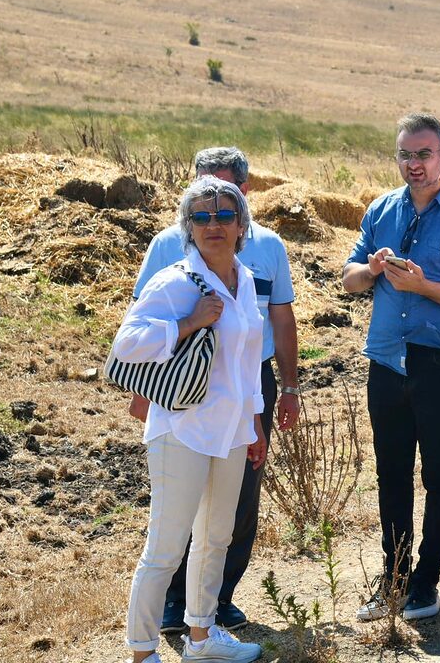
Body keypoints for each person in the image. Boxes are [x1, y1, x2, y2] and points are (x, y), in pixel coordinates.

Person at [132, 147, 300, 635]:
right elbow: (135, 333)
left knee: (235, 507)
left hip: (246, 390)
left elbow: (278, 320)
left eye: (225, 206)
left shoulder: (261, 258)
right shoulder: (167, 249)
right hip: (182, 387)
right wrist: (145, 389)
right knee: (178, 513)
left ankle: (215, 605)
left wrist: (283, 391)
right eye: (201, 204)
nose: (213, 216)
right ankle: (167, 613)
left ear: (244, 204)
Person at [341, 113, 440, 623]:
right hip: (386, 359)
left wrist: (423, 287)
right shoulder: (381, 210)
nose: (414, 164)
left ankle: (426, 583)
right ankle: (395, 577)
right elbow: (349, 279)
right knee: (391, 474)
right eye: (405, 154)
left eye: (424, 154)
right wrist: (374, 269)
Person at [118, 177, 267, 663]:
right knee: (166, 547)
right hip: (180, 429)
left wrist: (255, 424)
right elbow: (126, 345)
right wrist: (187, 323)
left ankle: (200, 640)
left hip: (229, 431)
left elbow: (247, 364)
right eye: (201, 217)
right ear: (188, 227)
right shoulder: (176, 281)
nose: (213, 225)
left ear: (242, 225)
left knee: (214, 540)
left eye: (224, 216)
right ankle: (142, 653)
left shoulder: (244, 279)